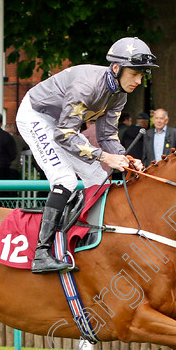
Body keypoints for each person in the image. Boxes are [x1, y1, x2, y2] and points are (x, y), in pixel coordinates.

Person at [15, 36, 154, 273]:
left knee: (97, 177)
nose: (139, 81)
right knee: (65, 180)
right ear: (117, 68)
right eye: (135, 74)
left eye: (142, 75)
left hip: (62, 125)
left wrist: (124, 159)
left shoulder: (120, 93)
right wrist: (105, 157)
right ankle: (41, 253)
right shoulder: (87, 86)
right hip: (37, 116)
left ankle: (88, 241)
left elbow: (108, 135)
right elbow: (63, 135)